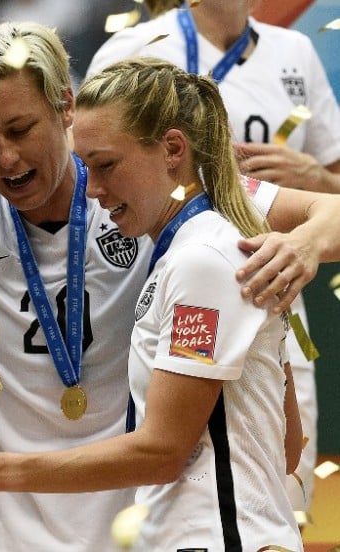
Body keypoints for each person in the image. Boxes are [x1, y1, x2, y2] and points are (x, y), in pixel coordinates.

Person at [0, 21, 340, 550]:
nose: (4, 157)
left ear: (64, 107)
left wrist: (305, 244)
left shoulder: (158, 193)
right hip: (7, 532)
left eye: (19, 129)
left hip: (146, 527)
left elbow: (326, 212)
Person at [87, 0, 340, 513]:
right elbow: (92, 169)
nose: (94, 185)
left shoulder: (294, 51)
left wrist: (310, 216)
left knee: (283, 483)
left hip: (258, 282)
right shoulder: (134, 48)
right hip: (163, 297)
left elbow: (332, 198)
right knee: (168, 475)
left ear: (176, 149)